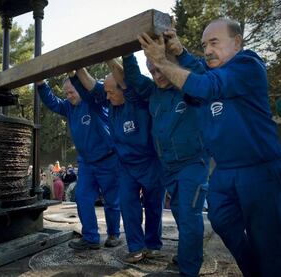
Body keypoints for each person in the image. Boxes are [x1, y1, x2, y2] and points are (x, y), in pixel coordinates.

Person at [139, 18, 281, 276]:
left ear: (237, 42)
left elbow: (205, 84)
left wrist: (161, 61)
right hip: (224, 171)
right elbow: (201, 73)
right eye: (204, 44)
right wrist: (180, 52)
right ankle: (255, 270)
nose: (206, 50)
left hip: (259, 169)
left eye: (214, 42)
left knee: (267, 240)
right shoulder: (213, 70)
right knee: (221, 220)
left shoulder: (248, 65)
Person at [120, 50, 209, 275]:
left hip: (193, 164)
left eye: (160, 68)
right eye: (152, 71)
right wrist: (127, 54)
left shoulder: (189, 87)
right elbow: (133, 77)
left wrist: (178, 52)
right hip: (168, 166)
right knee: (180, 213)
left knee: (189, 217)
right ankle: (186, 255)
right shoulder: (153, 92)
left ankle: (188, 270)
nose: (157, 75)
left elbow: (202, 74)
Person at [70, 65, 165, 263]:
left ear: (124, 89)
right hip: (125, 166)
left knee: (154, 205)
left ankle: (153, 245)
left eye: (112, 91)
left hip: (150, 163)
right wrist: (75, 72)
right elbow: (92, 91)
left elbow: (128, 75)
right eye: (106, 92)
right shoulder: (108, 105)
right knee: (128, 206)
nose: (108, 96)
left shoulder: (137, 102)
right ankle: (136, 247)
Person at [36, 78, 121, 250]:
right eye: (66, 93)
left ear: (82, 90)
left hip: (108, 159)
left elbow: (97, 90)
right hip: (87, 163)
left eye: (72, 92)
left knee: (111, 200)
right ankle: (90, 237)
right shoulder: (68, 107)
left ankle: (113, 234)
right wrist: (41, 85)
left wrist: (80, 77)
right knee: (82, 197)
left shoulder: (94, 101)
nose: (68, 96)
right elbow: (53, 102)